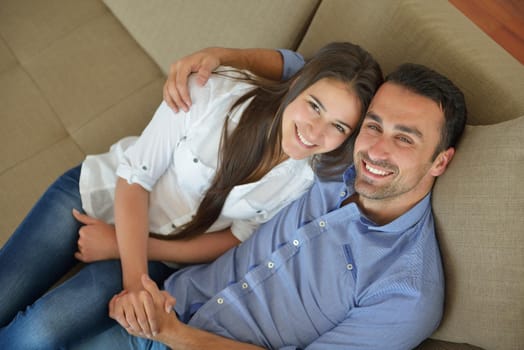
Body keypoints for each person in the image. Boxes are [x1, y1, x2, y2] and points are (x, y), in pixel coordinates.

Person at [73, 49, 467, 349]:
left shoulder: (406, 293)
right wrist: (217, 57)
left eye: (404, 138)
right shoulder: (334, 158)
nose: (377, 151)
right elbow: (308, 72)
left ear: (441, 160)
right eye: (374, 126)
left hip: (172, 330)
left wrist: (173, 334)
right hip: (165, 300)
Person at [0, 42, 383, 348]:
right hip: (98, 193)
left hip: (162, 251)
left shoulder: (304, 179)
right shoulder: (212, 92)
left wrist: (124, 250)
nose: (314, 133)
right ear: (297, 86)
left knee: (38, 333)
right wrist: (134, 281)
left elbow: (233, 238)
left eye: (338, 126)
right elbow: (135, 178)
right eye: (314, 106)